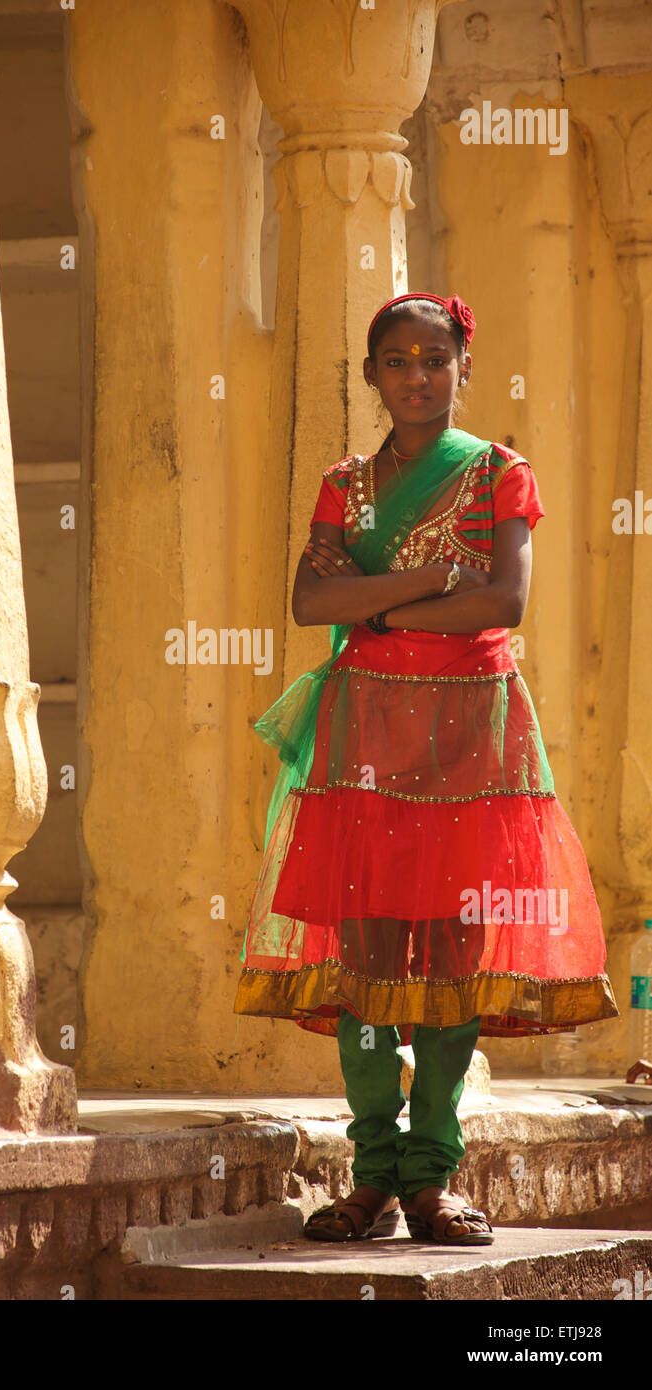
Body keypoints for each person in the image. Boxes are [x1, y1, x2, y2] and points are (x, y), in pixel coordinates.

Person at [233, 291, 618, 1246]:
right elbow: (308, 597)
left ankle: (430, 1179)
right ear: (371, 375)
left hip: (470, 744)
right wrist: (421, 584)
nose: (416, 376)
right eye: (397, 361)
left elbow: (503, 602)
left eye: (434, 360)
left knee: (451, 955)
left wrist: (379, 610)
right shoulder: (344, 485)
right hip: (363, 739)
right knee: (365, 962)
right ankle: (368, 1175)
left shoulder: (496, 473)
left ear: (461, 368)